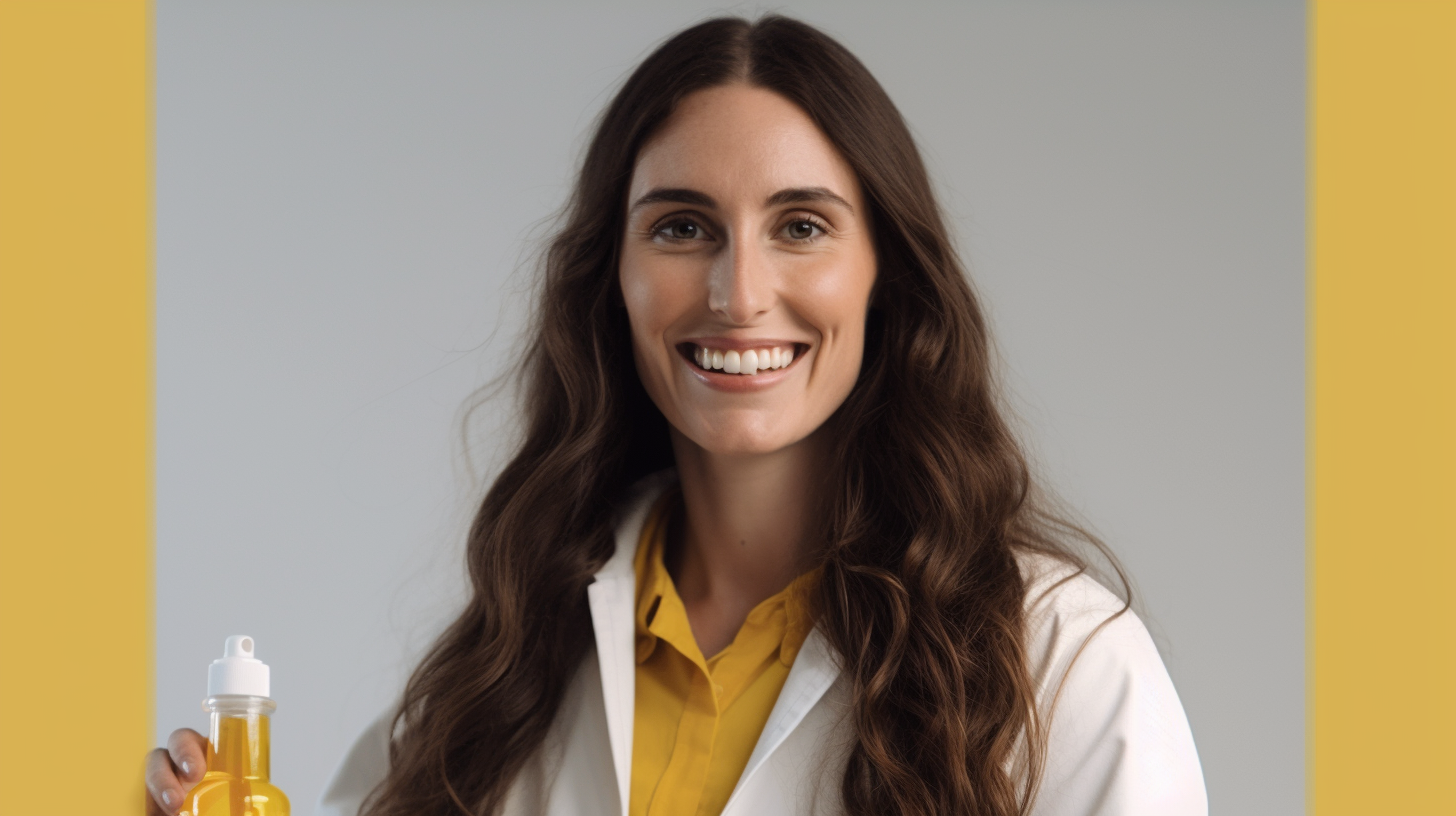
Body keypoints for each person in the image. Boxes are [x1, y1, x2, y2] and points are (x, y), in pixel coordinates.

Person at [145, 15, 1206, 816]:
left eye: (800, 226)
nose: (738, 293)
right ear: (612, 275)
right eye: (683, 227)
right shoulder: (510, 660)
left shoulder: (1063, 664)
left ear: (886, 276)